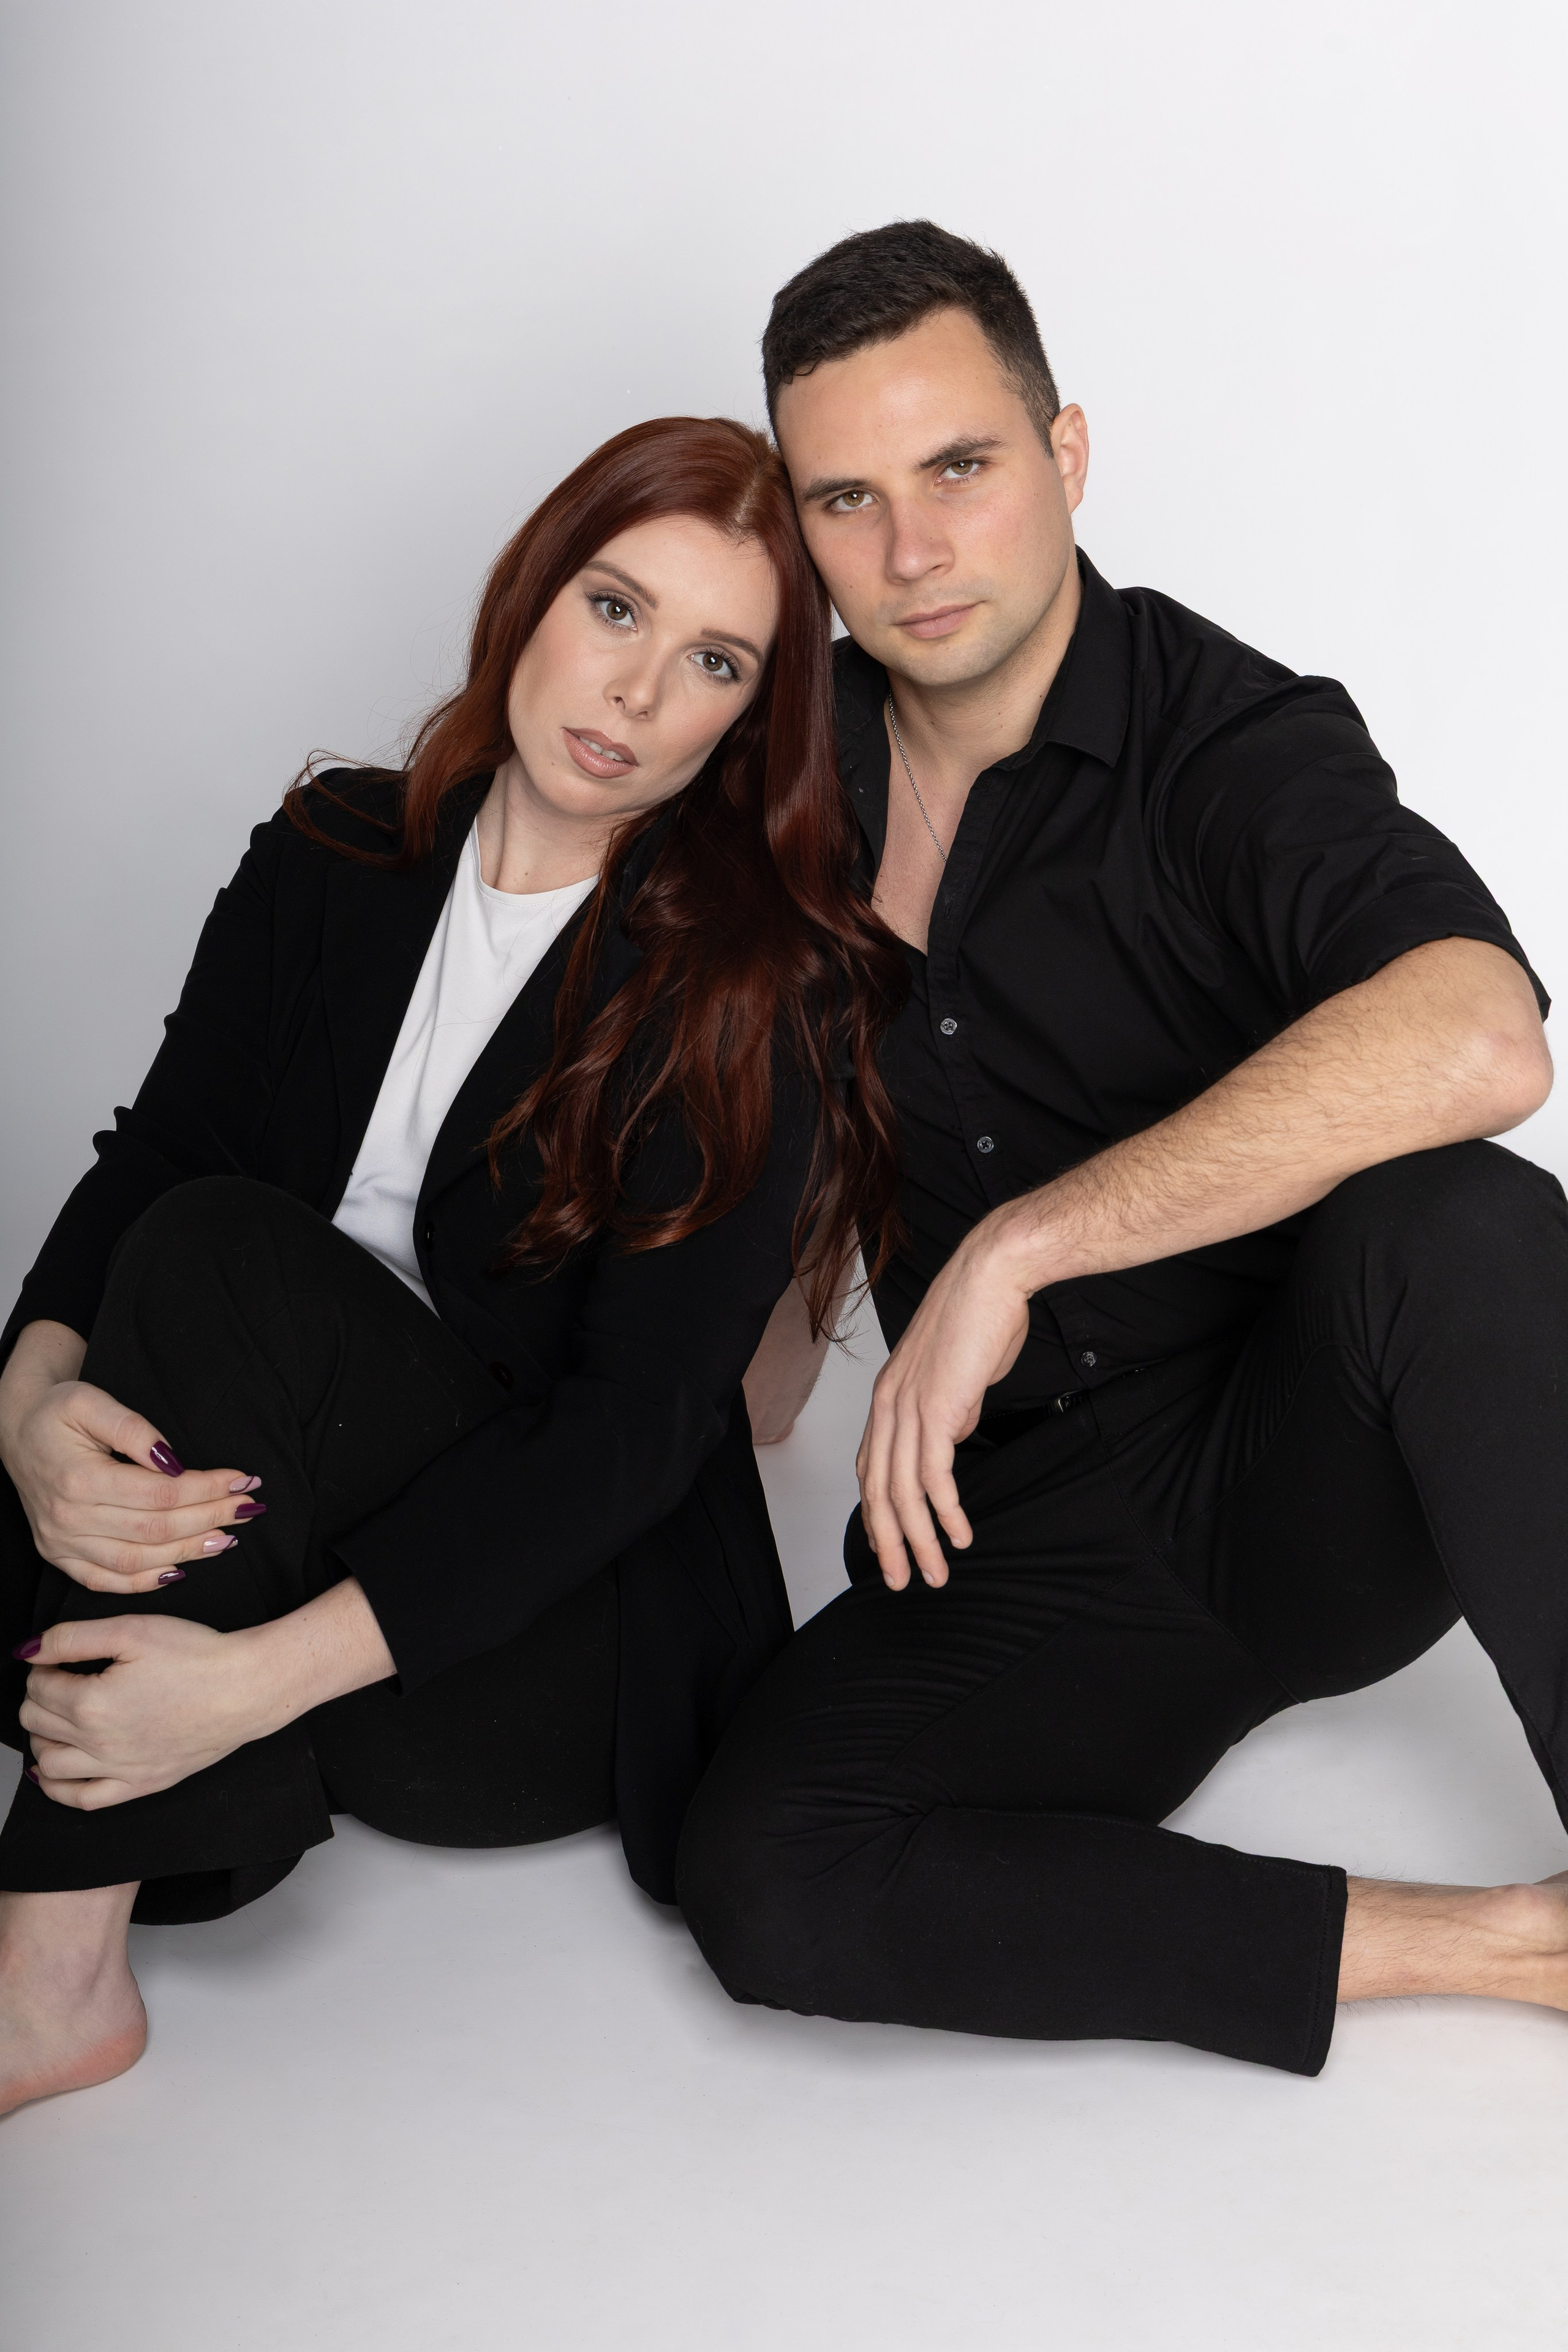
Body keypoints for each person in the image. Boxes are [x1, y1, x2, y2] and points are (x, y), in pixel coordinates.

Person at [677, 222, 1568, 2076]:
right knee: (757, 1870)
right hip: (1030, 1539)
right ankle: (1507, 1945)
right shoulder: (779, 786)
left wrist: (1020, 1248)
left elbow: (1485, 1034)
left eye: (960, 468)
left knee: (1465, 1225)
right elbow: (761, 1379)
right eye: (847, 500)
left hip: (1307, 1463)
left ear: (1066, 454)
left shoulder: (1228, 736)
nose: (913, 552)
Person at [0, 415, 907, 2117]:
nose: (636, 691)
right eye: (615, 607)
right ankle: (151, 1690)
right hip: (260, 1502)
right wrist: (33, 1407)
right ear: (532, 590)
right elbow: (163, 1148)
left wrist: (245, 1683)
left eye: (713, 662)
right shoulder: (331, 850)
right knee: (149, 1303)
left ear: (749, 718)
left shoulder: (748, 990)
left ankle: (53, 1982)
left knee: (221, 1255)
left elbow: (632, 1437)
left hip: (529, 1645)